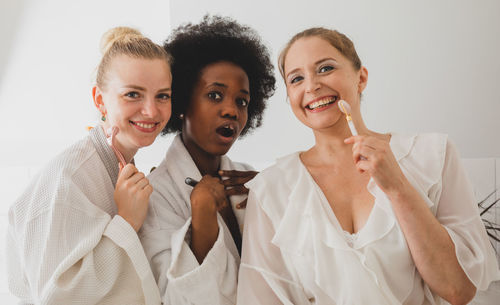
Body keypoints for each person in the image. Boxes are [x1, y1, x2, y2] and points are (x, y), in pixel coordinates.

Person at [237, 27, 500, 305]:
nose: (311, 85)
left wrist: (398, 187)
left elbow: (458, 289)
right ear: (290, 96)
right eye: (297, 78)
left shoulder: (432, 155)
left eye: (325, 68)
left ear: (361, 78)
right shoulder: (271, 188)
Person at [6, 27, 172, 304]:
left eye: (162, 96)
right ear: (100, 100)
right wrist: (127, 221)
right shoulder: (68, 178)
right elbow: (53, 298)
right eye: (133, 94)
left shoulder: (122, 166)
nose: (152, 111)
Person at [139, 15, 275, 305]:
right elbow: (175, 298)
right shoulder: (155, 194)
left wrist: (275, 199)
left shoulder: (252, 179)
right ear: (182, 102)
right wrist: (201, 214)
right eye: (215, 95)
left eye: (242, 101)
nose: (232, 111)